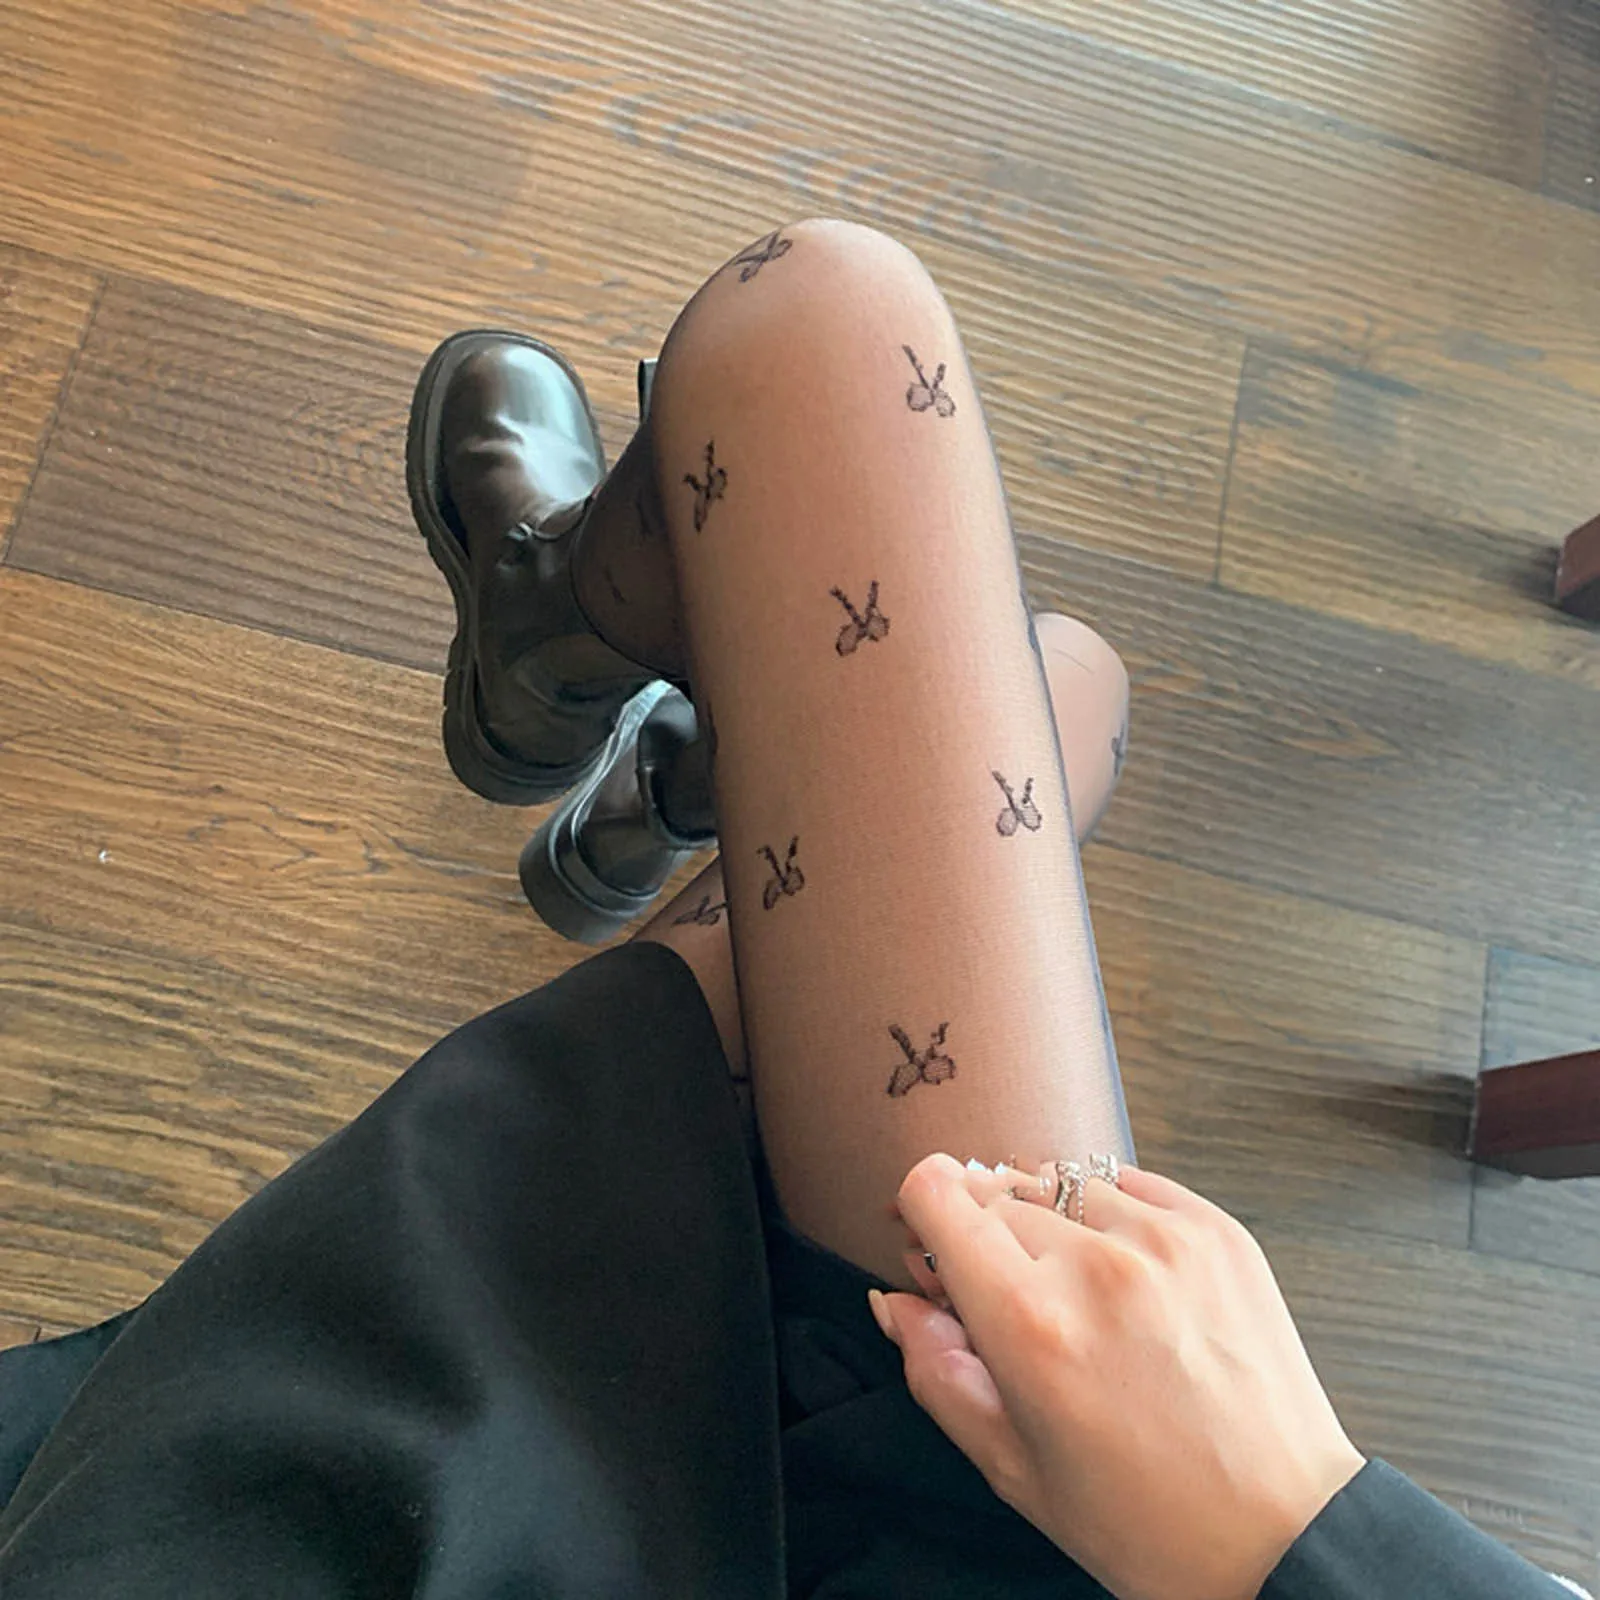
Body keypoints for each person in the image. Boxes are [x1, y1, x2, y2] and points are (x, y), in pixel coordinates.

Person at [0, 219, 1583, 1600]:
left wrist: (1299, 1535)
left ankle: (561, 662)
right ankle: (663, 776)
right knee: (1062, 692)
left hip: (497, 1526)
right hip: (1037, 1519)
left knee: (814, 326)